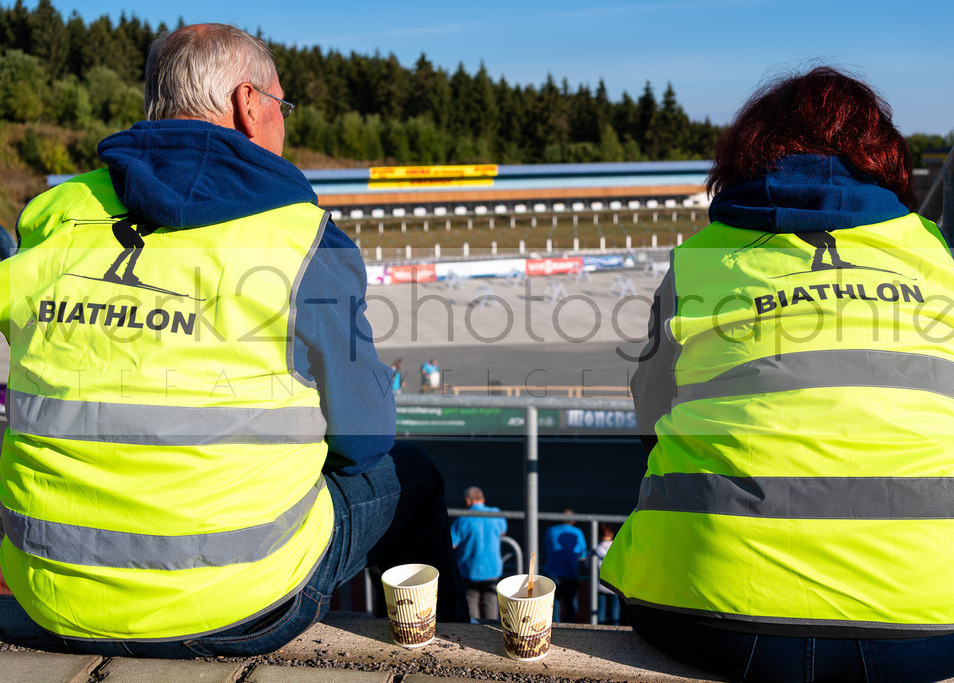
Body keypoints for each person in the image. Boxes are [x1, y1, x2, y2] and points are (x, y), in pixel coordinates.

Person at [0, 23, 468, 659]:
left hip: (51, 594)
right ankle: (451, 655)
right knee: (411, 477)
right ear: (251, 106)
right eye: (283, 105)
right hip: (239, 605)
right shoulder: (301, 239)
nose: (284, 124)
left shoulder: (53, 214)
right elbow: (364, 439)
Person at [600, 66, 954, 682]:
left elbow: (651, 412)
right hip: (945, 618)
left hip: (705, 609)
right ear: (884, 160)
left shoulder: (699, 258)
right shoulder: (933, 251)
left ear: (746, 156)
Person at [450, 486, 507, 620]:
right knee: (491, 601)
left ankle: (473, 631)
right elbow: (503, 531)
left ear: (467, 501)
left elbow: (452, 543)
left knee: (471, 601)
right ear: (483, 499)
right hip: (492, 569)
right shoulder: (496, 513)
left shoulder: (462, 518)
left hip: (469, 570)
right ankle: (491, 631)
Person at [544, 511, 587, 623]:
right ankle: (571, 632)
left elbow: (547, 546)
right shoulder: (577, 532)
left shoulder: (551, 530)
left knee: (553, 606)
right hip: (571, 573)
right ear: (573, 520)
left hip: (552, 572)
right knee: (571, 606)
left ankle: (553, 630)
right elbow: (582, 552)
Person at [593, 524, 619, 626]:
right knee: (615, 612)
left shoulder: (595, 549)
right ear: (612, 534)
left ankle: (600, 632)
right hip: (614, 583)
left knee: (600, 611)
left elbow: (587, 564)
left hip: (600, 584)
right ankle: (616, 631)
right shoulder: (616, 548)